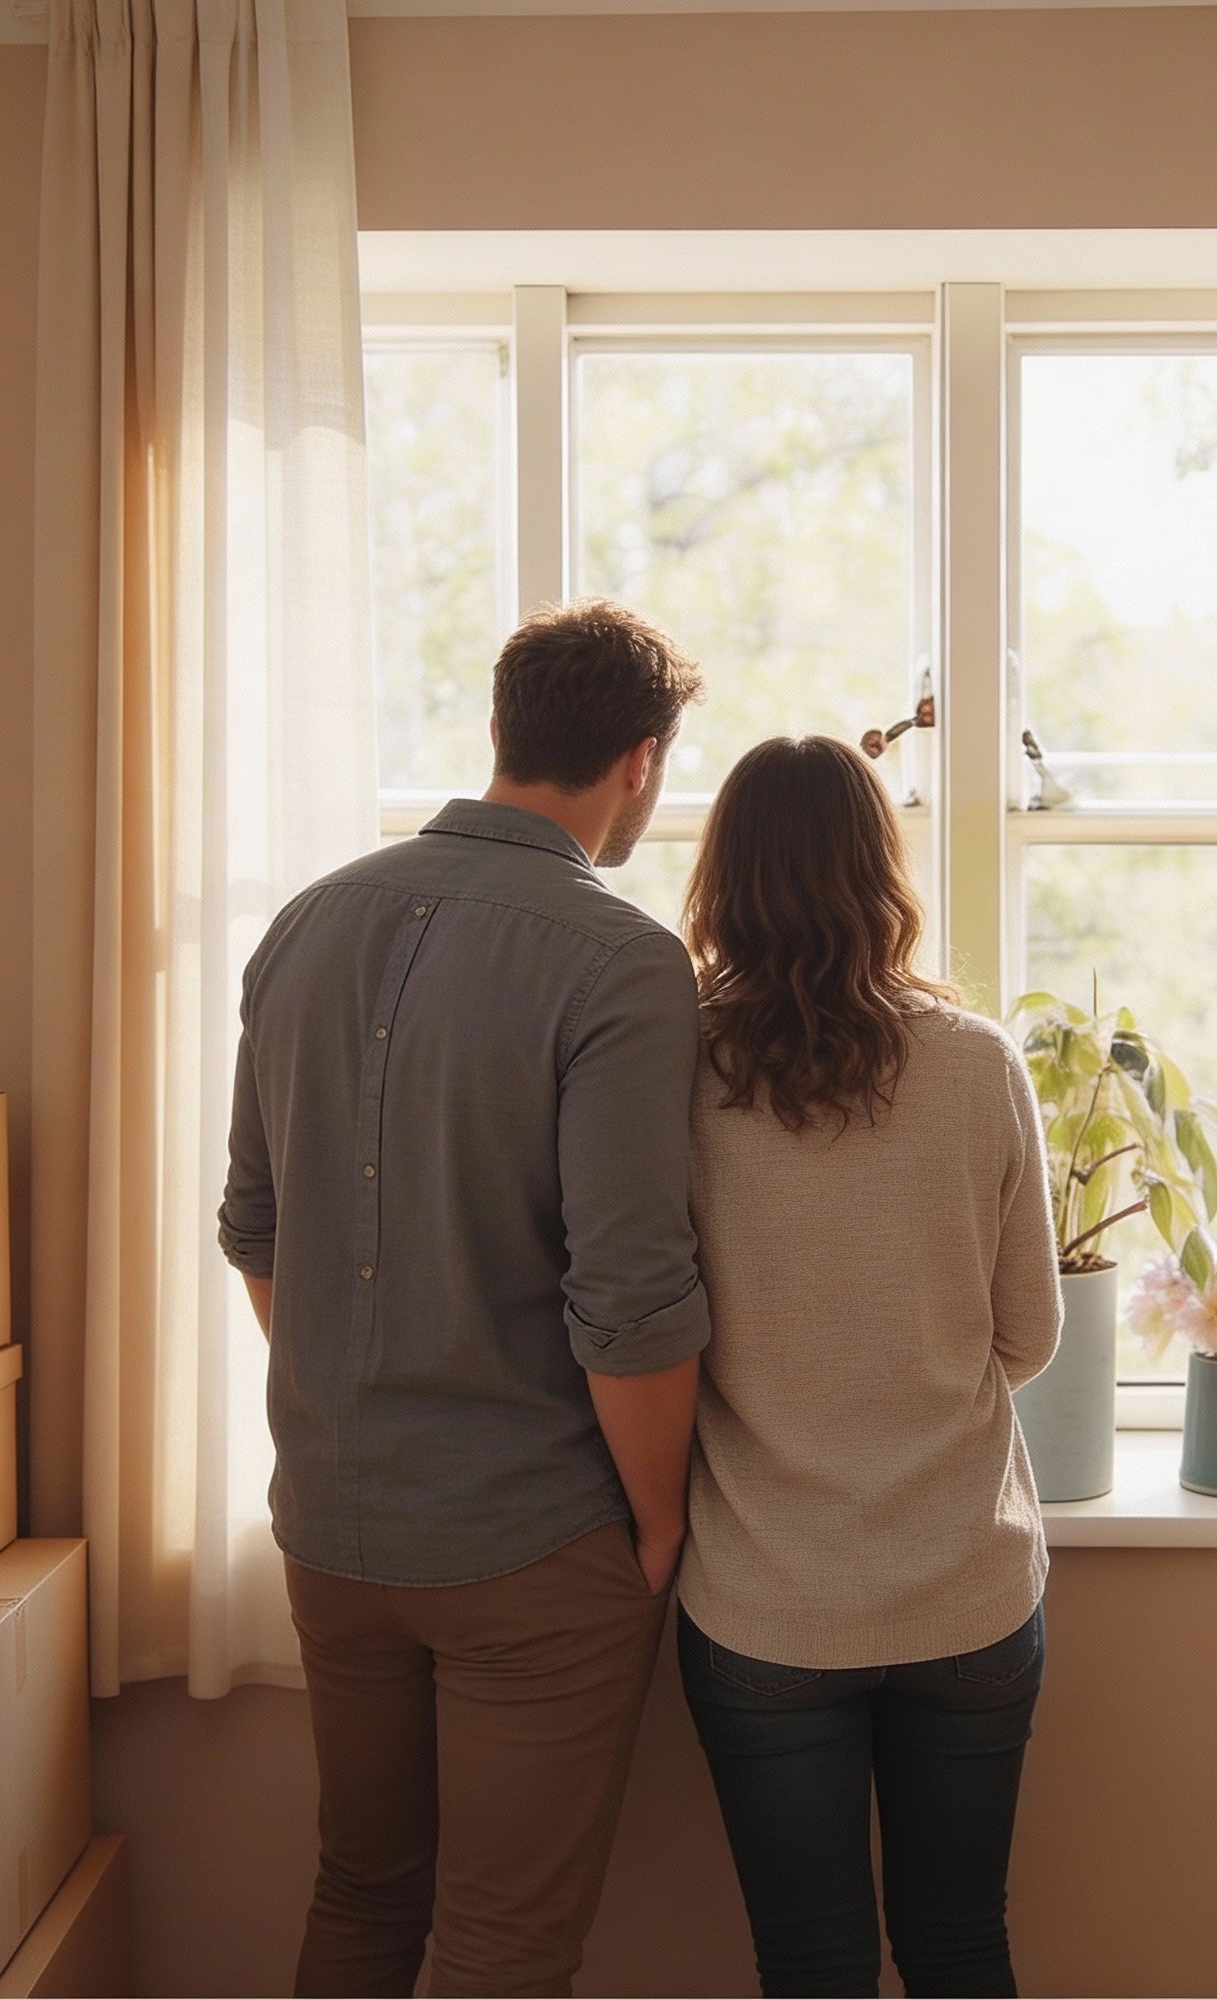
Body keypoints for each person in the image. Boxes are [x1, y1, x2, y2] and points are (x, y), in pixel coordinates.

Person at [217, 600, 711, 1999]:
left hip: (333, 1522)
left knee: (362, 1889)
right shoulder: (621, 957)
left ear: (499, 730)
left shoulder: (307, 921)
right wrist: (659, 1518)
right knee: (502, 1945)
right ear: (642, 760)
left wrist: (355, 1412)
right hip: (532, 1539)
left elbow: (256, 1227)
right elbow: (629, 1293)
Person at [675, 735, 1064, 2000]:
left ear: (723, 878)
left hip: (761, 1601)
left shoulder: (673, 1069)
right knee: (959, 1945)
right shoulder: (975, 1059)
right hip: (966, 1590)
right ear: (880, 869)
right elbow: (1029, 1334)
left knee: (811, 1965)